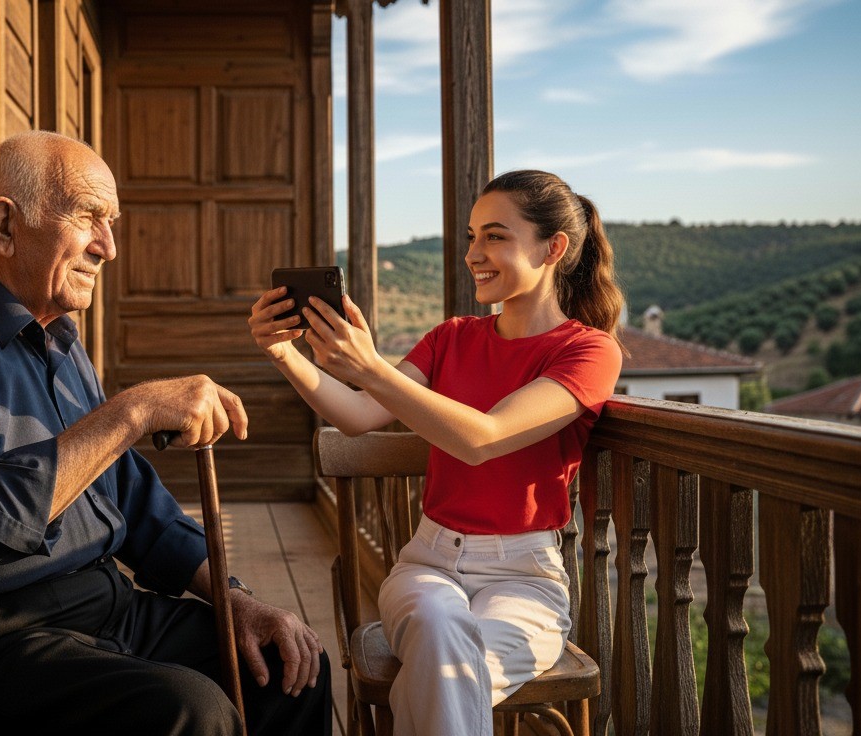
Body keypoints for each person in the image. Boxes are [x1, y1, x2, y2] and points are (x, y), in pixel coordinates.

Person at [0, 130, 330, 735]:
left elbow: (131, 499)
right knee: (191, 710)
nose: (109, 246)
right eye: (88, 217)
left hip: (100, 608)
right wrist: (133, 411)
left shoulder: (60, 341)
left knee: (290, 665)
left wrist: (235, 599)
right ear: (5, 225)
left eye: (112, 223)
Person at [248, 170, 624, 736]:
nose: (474, 253)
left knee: (441, 670)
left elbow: (484, 438)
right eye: (472, 237)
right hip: (428, 564)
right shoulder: (450, 338)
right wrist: (284, 354)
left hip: (523, 578)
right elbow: (358, 415)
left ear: (554, 248)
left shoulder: (588, 351)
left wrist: (371, 368)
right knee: (440, 641)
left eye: (495, 236)